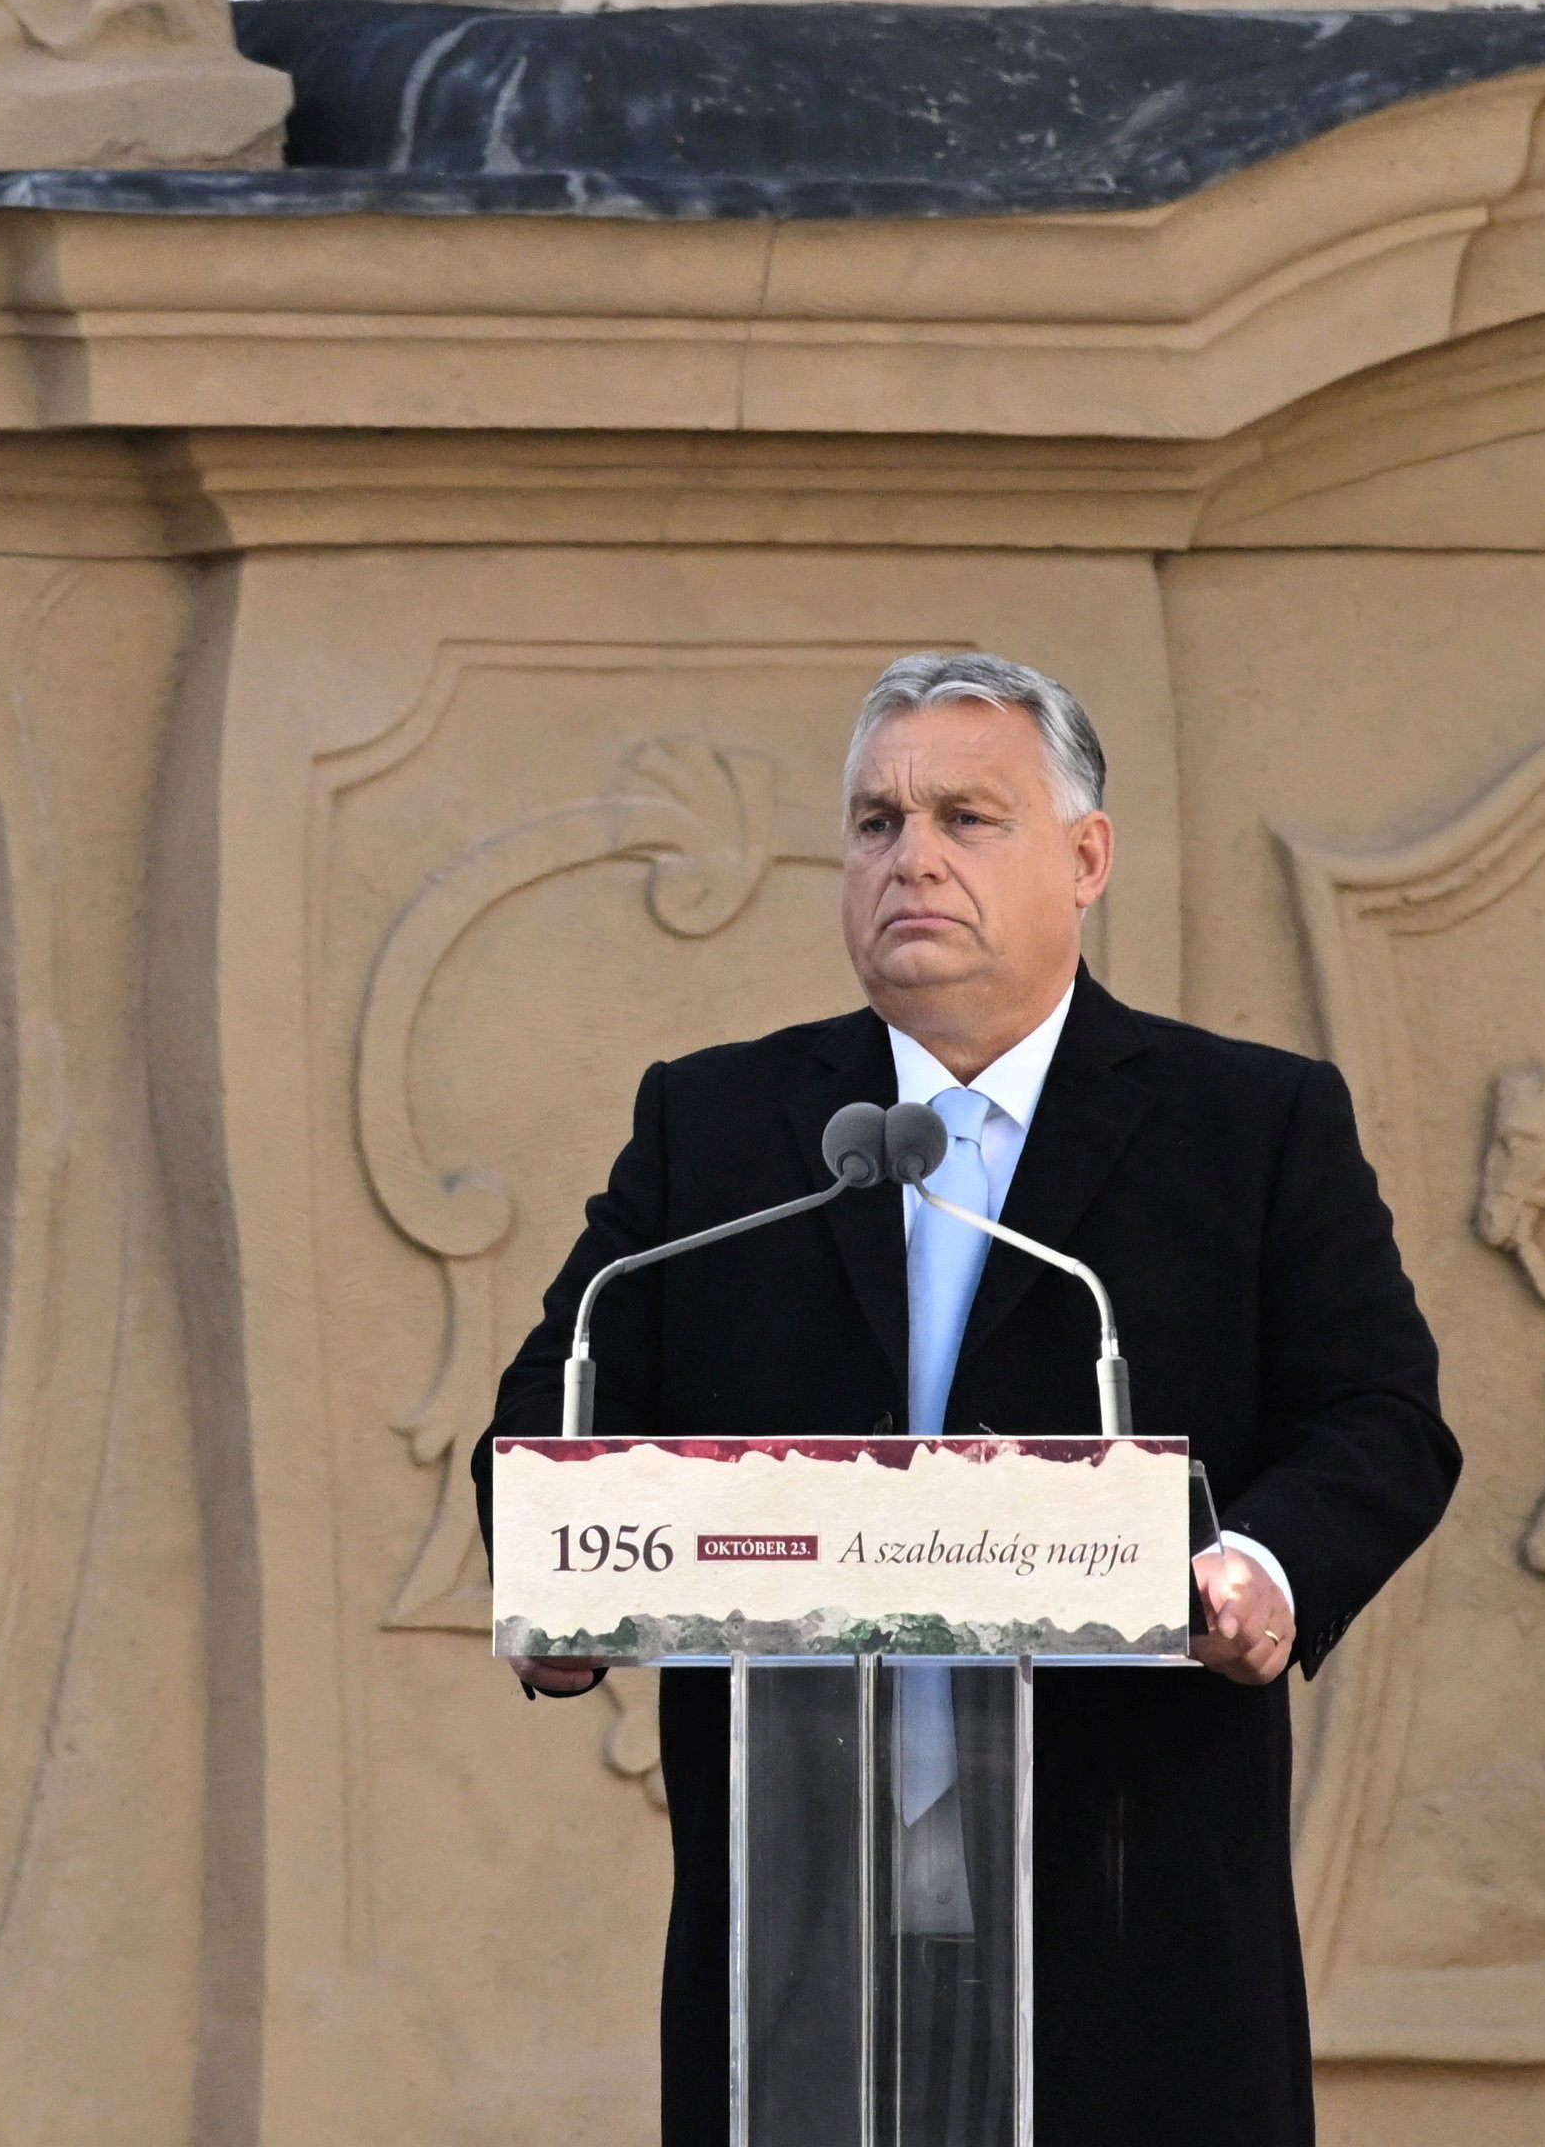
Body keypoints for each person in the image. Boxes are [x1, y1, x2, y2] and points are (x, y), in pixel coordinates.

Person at [479, 652, 1458, 2147]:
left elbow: (1381, 1414)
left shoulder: (1249, 1123)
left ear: (1087, 859)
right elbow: (553, 1408)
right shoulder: (718, 1123)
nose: (912, 858)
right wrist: (560, 1597)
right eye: (876, 823)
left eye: (966, 818)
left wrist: (1260, 1570)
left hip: (1128, 1894)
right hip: (803, 1907)